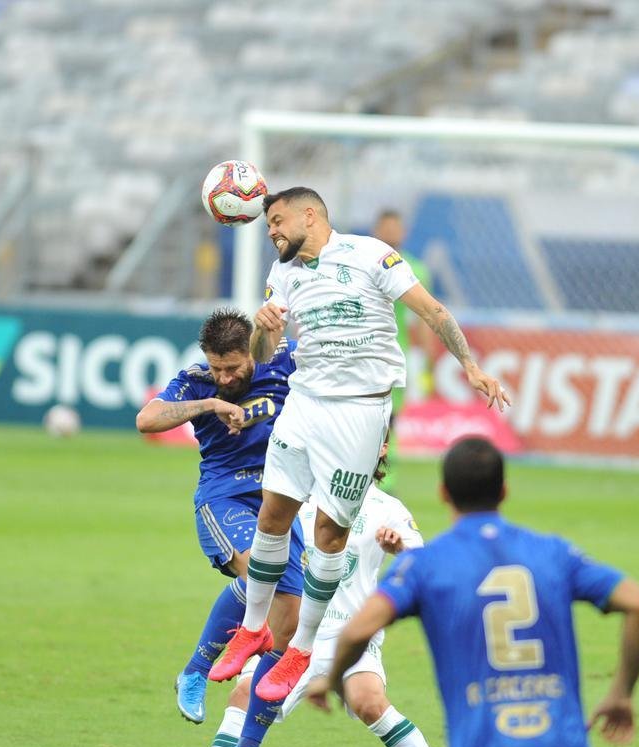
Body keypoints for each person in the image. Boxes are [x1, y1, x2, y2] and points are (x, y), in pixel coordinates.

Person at [209, 187, 512, 708]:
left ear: (311, 215)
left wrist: (469, 365)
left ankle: (301, 648)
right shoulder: (282, 274)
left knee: (329, 532)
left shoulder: (370, 254)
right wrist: (264, 332)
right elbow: (262, 356)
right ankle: (254, 628)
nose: (272, 231)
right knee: (272, 514)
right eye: (267, 226)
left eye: (278, 221)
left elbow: (432, 310)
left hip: (358, 411)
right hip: (303, 402)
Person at [306, 437, 639, 747]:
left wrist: (330, 679)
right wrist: (622, 692)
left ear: (444, 493)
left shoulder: (427, 565)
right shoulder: (554, 552)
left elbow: (356, 631)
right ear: (504, 491)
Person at [206, 446, 452, 747]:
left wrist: (399, 550)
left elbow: (425, 563)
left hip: (350, 637)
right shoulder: (298, 497)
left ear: (381, 448)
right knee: (243, 697)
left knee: (370, 702)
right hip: (290, 634)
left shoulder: (388, 508)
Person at [135, 308, 305, 725]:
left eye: (232, 368)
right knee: (260, 574)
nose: (225, 377)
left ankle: (248, 731)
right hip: (224, 496)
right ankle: (195, 671)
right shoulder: (197, 381)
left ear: (250, 351)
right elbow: (146, 419)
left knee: (290, 616)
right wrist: (210, 403)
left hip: (279, 496)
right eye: (217, 368)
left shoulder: (286, 359)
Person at [372, 208, 441, 493]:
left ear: (404, 233)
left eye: (396, 228)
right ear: (377, 230)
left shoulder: (415, 269)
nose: (391, 234)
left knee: (390, 419)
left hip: (394, 357)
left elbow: (425, 318)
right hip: (363, 354)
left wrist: (427, 364)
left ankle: (386, 482)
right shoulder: (362, 262)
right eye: (386, 227)